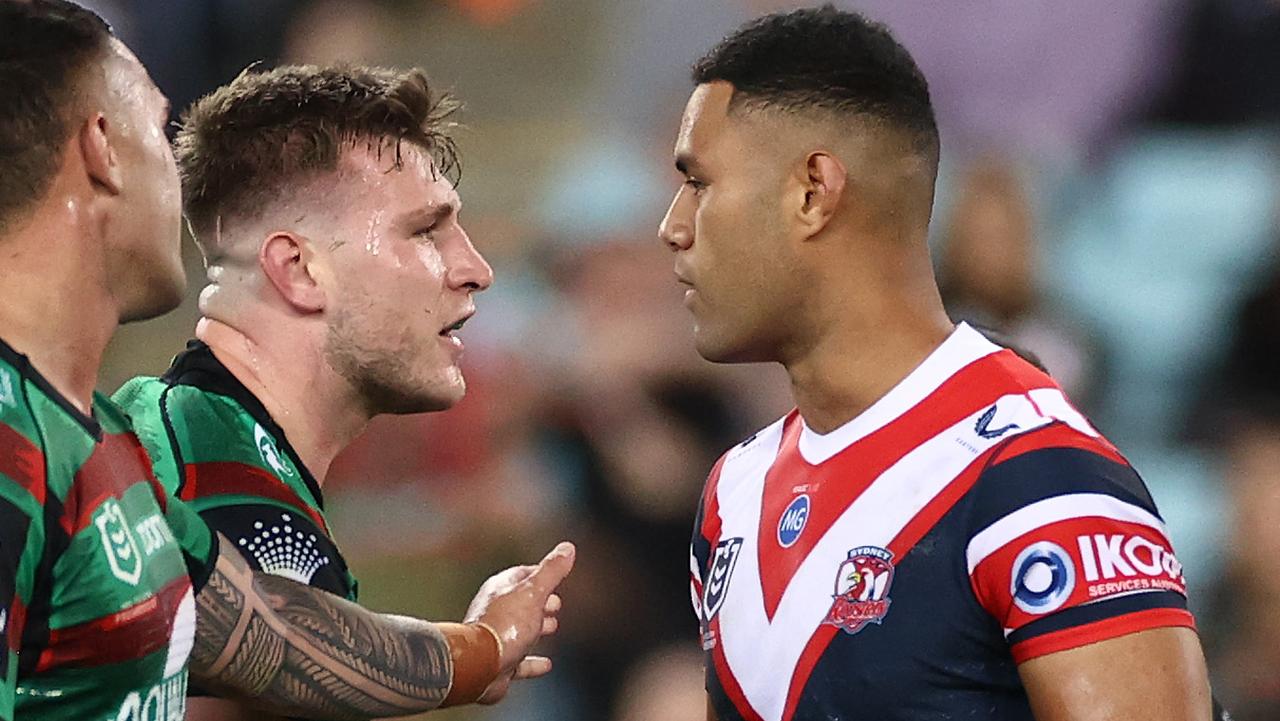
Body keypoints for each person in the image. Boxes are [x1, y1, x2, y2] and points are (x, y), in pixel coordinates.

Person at [0, 2, 570, 720]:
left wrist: (483, 647)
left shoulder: (101, 458)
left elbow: (271, 632)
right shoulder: (42, 439)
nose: (477, 270)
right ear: (101, 150)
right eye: (155, 125)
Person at [660, 7, 1214, 721]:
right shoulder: (732, 493)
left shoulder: (1037, 473)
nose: (671, 225)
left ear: (812, 192)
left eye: (699, 183)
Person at [109, 59, 510, 720]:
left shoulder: (182, 436)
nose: (475, 268)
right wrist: (483, 650)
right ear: (297, 269)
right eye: (425, 230)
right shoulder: (229, 492)